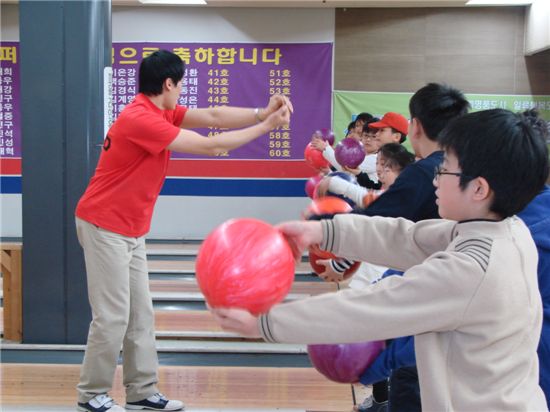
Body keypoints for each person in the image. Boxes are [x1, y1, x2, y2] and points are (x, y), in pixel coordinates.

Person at [211, 108, 550, 411]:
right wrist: (324, 233)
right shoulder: (507, 230)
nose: (434, 178)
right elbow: (408, 238)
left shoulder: (471, 270)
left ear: (478, 189)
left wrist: (265, 323)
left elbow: (369, 307)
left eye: (444, 170)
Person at [74, 50, 292, 412]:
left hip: (130, 228)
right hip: (104, 225)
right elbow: (212, 144)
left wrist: (262, 112)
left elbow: (213, 116)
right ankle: (91, 394)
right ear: (167, 84)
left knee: (140, 315)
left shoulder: (159, 110)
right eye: (180, 85)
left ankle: (141, 390)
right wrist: (267, 128)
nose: (182, 92)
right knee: (113, 316)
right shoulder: (140, 119)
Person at [311, 83, 470, 411]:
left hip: (427, 300)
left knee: (411, 378)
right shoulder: (472, 170)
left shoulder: (422, 173)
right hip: (465, 302)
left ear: (415, 127)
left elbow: (374, 224)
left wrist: (330, 252)